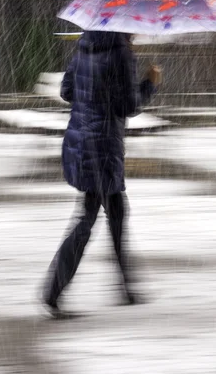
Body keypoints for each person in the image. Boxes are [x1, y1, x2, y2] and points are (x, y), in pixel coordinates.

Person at [42, 30, 161, 317]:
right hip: (104, 146)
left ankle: (126, 287)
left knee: (117, 211)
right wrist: (150, 83)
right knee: (88, 218)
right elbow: (128, 106)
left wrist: (94, 96)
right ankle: (52, 292)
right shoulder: (121, 52)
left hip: (82, 140)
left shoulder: (85, 46)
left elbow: (66, 91)